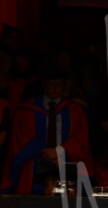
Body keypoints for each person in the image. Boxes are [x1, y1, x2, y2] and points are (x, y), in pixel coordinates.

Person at [0, 64, 93, 194]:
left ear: (64, 85)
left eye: (58, 84)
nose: (55, 88)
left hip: (65, 167)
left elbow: (80, 138)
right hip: (34, 168)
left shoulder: (75, 110)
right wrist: (43, 150)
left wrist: (59, 151)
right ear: (43, 84)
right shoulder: (26, 110)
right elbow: (20, 138)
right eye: (51, 84)